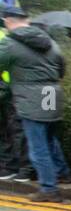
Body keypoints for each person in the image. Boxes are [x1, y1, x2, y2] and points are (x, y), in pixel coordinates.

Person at [0, 5, 70, 202]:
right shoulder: (49, 41)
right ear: (27, 20)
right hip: (51, 92)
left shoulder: (10, 43)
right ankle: (62, 171)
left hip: (31, 96)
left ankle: (49, 188)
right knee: (49, 137)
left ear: (8, 22)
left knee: (37, 144)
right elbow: (61, 66)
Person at [0, 21, 33, 182]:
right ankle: (10, 166)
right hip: (12, 88)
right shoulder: (5, 36)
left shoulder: (5, 39)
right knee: (10, 130)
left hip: (10, 89)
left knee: (15, 129)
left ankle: (19, 167)